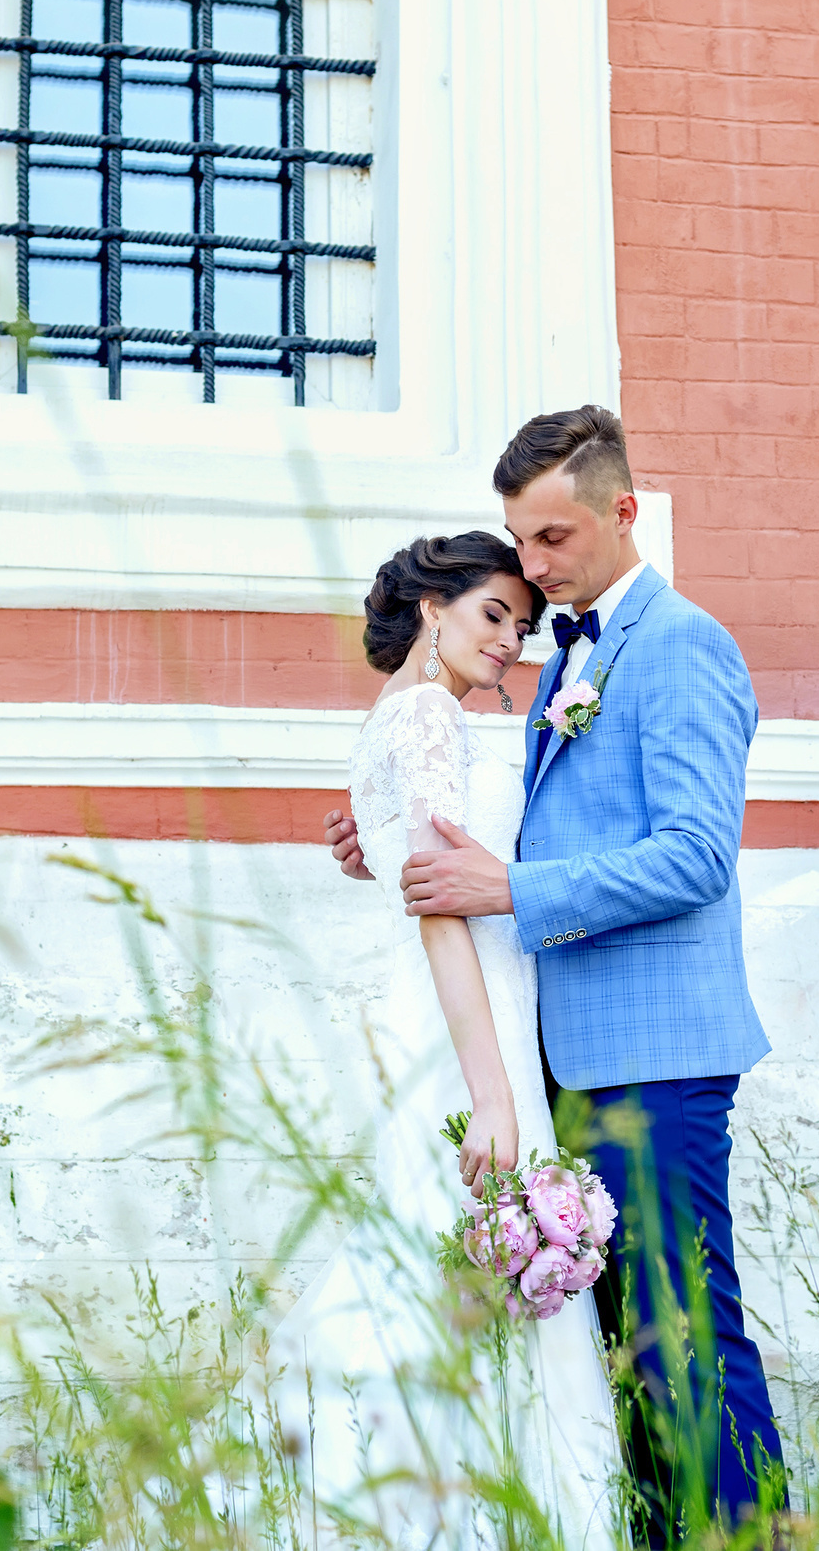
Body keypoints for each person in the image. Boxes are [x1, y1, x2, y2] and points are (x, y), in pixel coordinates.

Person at [326, 406, 786, 1542]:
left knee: (687, 1336)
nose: (531, 570)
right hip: (559, 1056)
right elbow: (530, 825)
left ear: (622, 512)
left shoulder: (678, 643)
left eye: (550, 539)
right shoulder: (568, 659)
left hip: (655, 1053)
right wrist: (386, 835)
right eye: (515, 546)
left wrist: (508, 891)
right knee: (628, 1348)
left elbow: (693, 854)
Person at [274, 530, 622, 1550]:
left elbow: (393, 855)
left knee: (431, 1244)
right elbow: (439, 904)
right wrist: (498, 1096)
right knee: (474, 1229)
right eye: (491, 614)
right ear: (432, 608)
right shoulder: (427, 715)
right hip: (465, 1013)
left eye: (522, 623)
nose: (511, 639)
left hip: (433, 1009)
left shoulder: (390, 716)